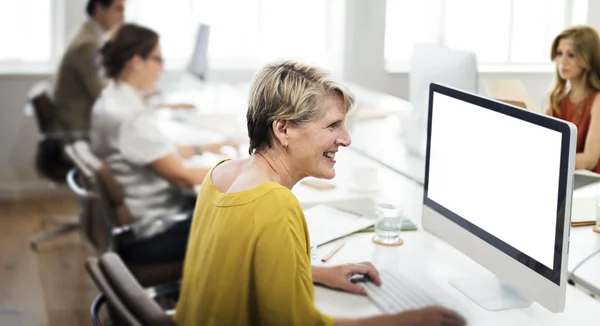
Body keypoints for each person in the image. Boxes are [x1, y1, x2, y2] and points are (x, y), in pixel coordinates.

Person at [174, 61, 465, 325]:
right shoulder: (274, 203)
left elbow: (236, 266)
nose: (346, 139)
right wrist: (405, 321)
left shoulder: (221, 174)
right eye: (333, 125)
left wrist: (316, 272)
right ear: (283, 129)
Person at [90, 23, 240, 264]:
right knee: (245, 222)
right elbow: (181, 177)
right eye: (158, 60)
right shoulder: (130, 116)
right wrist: (246, 169)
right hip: (155, 230)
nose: (162, 69)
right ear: (136, 62)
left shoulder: (112, 98)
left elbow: (153, 152)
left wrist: (205, 148)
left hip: (141, 217)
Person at [53, 0, 125, 138]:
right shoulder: (87, 44)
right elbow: (102, 95)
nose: (122, 17)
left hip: (76, 122)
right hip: (78, 129)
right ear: (99, 7)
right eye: (118, 9)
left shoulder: (87, 33)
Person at [546, 25, 600, 172]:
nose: (562, 61)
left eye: (571, 55)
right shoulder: (557, 97)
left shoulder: (597, 101)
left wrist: (550, 161)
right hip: (564, 172)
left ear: (588, 58)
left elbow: (589, 160)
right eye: (559, 53)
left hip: (590, 182)